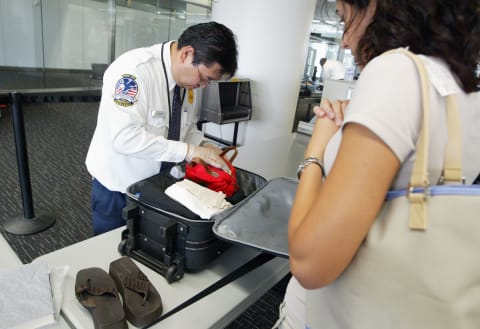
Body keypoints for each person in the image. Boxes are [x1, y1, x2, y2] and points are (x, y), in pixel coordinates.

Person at [274, 1, 480, 328]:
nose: (344, 40)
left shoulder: (395, 71)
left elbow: (308, 262)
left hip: (326, 314)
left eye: (343, 17)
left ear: (374, 7)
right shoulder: (462, 89)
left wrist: (316, 151)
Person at [85, 22, 238, 235]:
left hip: (157, 186)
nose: (204, 86)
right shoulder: (133, 73)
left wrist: (204, 146)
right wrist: (191, 152)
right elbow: (123, 138)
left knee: (148, 251)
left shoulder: (188, 81)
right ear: (186, 53)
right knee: (110, 253)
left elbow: (187, 127)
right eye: (205, 78)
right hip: (117, 188)